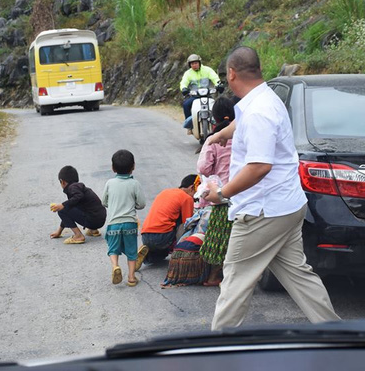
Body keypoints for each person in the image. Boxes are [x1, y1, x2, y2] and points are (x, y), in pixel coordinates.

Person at [203, 46, 340, 331]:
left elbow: (258, 167)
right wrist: (222, 134)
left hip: (261, 212)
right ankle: (337, 333)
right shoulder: (266, 98)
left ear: (231, 73)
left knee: (235, 281)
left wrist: (221, 194)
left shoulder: (258, 112)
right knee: (298, 275)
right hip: (286, 206)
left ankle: (217, 349)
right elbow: (245, 124)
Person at [197, 96, 235, 286]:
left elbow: (203, 168)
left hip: (221, 196)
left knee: (218, 240)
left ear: (215, 118)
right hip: (243, 194)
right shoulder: (242, 135)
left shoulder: (214, 139)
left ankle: (214, 277)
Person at [101, 150, 146, 286]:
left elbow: (104, 202)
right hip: (130, 224)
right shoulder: (135, 184)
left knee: (113, 249)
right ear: (133, 166)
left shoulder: (109, 183)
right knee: (132, 251)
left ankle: (115, 266)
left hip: (113, 224)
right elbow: (141, 204)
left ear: (113, 168)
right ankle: (131, 277)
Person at [140, 174, 198, 264]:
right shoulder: (187, 198)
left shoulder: (165, 192)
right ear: (191, 188)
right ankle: (178, 251)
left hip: (145, 236)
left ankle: (147, 255)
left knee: (161, 255)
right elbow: (187, 223)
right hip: (161, 238)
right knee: (187, 223)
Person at [50, 165, 106, 244]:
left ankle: (78, 235)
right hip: (100, 219)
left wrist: (62, 205)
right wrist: (59, 231)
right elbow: (69, 211)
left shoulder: (72, 188)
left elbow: (69, 206)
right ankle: (93, 230)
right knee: (67, 208)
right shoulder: (78, 187)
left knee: (62, 210)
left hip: (93, 220)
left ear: (62, 181)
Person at [180, 54, 220, 131]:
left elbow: (215, 78)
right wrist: (184, 88)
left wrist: (218, 84)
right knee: (186, 105)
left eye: (196, 63)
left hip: (207, 95)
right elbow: (183, 82)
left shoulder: (207, 70)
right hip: (195, 96)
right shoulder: (188, 73)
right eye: (192, 64)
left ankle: (218, 124)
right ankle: (190, 126)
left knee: (217, 105)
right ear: (189, 65)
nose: (194, 65)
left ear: (199, 63)